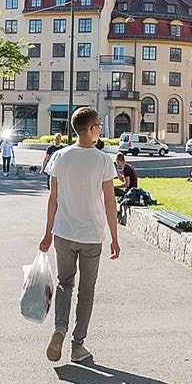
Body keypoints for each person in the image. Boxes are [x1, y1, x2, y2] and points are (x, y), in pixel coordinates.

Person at [41, 107, 120, 364]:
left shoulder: (60, 157)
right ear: (91, 129)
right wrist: (115, 238)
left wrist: (47, 234)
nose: (100, 128)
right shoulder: (102, 160)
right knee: (86, 291)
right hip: (91, 235)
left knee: (65, 284)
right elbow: (110, 202)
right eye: (98, 124)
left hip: (63, 232)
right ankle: (78, 345)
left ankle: (59, 329)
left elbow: (52, 198)